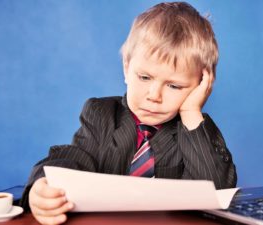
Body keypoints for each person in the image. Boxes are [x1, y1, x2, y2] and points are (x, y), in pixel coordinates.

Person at [20, 2, 237, 224]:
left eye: (174, 86)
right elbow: (71, 158)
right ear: (126, 67)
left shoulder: (194, 130)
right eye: (144, 77)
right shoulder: (102, 115)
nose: (154, 95)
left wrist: (191, 111)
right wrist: (43, 185)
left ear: (201, 85)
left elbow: (215, 192)